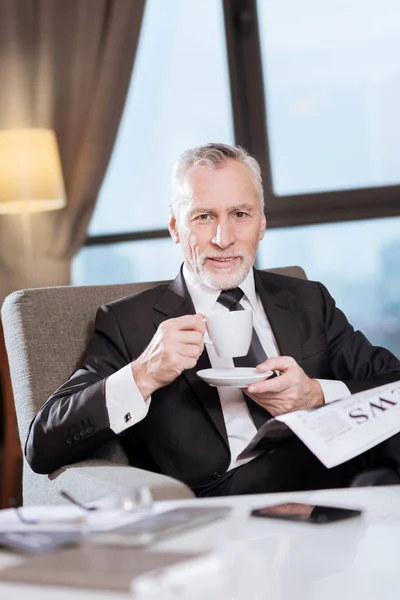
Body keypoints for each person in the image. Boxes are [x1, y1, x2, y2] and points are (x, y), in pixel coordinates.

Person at [26, 143, 400, 496]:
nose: (224, 238)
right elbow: (42, 445)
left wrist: (316, 394)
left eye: (240, 214)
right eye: (204, 217)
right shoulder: (130, 322)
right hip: (223, 493)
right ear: (175, 227)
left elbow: (392, 382)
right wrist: (143, 373)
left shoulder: (306, 299)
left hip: (334, 470)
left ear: (262, 223)